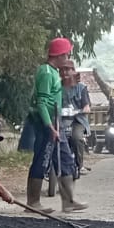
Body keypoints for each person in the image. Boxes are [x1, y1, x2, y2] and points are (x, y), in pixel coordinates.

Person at [25, 37, 85, 212]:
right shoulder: (45, 72)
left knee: (65, 159)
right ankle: (33, 202)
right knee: (42, 160)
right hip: (46, 123)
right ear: (59, 55)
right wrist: (50, 127)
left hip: (55, 120)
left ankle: (69, 201)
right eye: (67, 54)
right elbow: (42, 102)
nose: (68, 57)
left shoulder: (53, 72)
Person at [59, 60, 93, 175]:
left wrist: (81, 110)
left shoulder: (81, 87)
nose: (64, 72)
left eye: (67, 69)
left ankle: (80, 165)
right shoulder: (57, 87)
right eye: (62, 70)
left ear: (73, 71)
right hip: (61, 120)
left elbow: (87, 106)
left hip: (77, 120)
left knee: (77, 138)